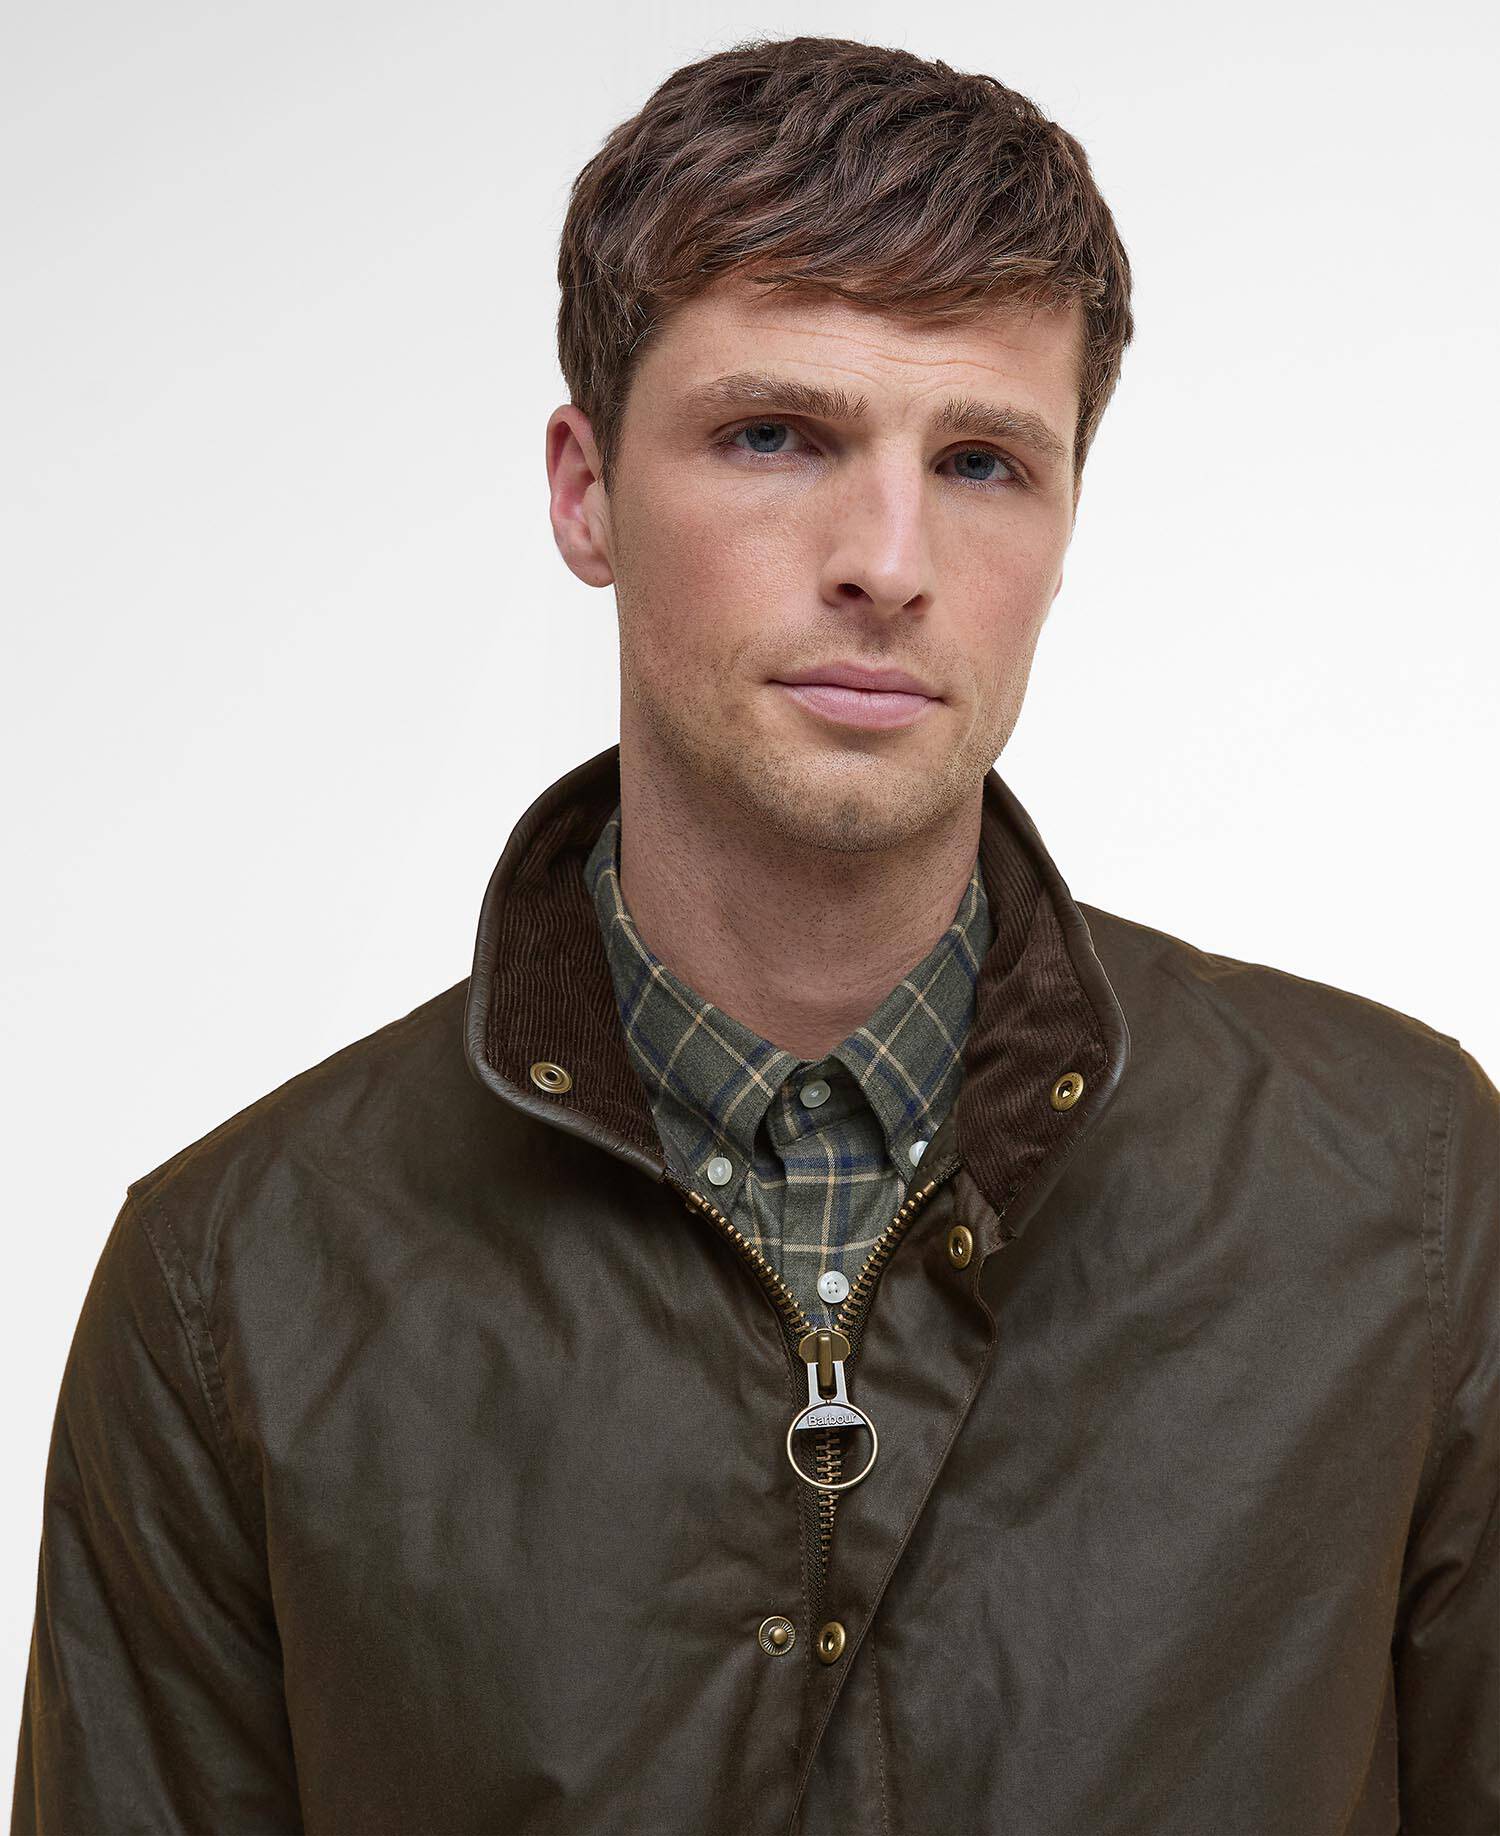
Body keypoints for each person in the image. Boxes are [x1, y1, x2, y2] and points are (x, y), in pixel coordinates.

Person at [11, 33, 1496, 1836]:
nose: (889, 559)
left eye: (983, 461)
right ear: (585, 492)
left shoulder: (1410, 1196)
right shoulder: (231, 1287)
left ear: (1067, 524)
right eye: (775, 436)